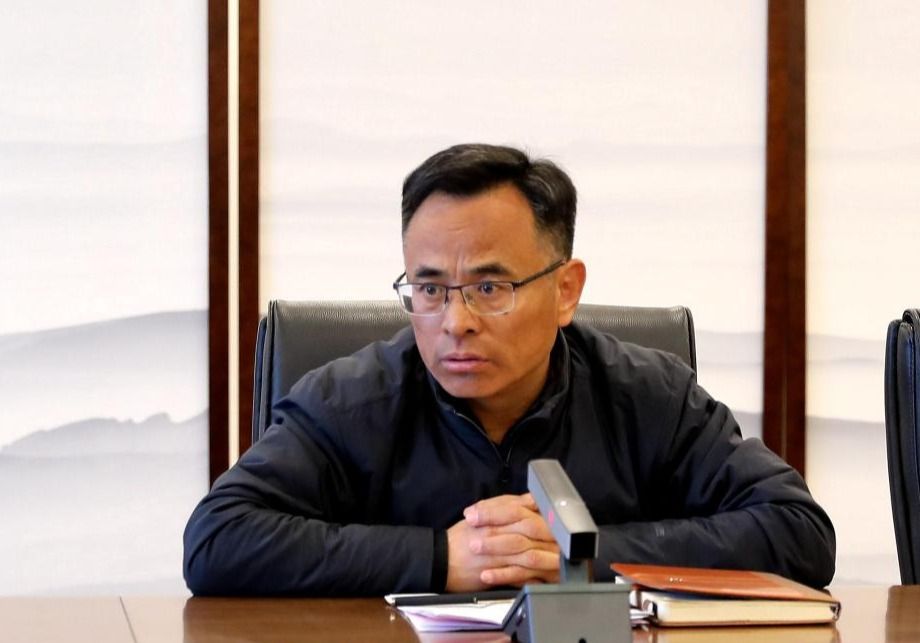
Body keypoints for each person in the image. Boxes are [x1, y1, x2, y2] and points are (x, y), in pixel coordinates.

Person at [183, 143, 835, 596]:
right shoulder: (350, 400)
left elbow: (798, 531)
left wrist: (577, 554)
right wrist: (440, 557)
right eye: (429, 289)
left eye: (490, 288)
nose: (455, 321)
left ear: (565, 290)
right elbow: (217, 539)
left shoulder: (646, 394)